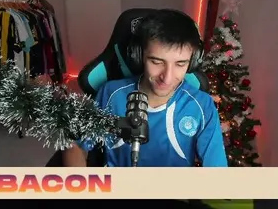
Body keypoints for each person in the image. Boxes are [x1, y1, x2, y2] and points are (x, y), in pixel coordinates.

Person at [63, 9, 227, 167]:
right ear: (139, 56)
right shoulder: (110, 94)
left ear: (192, 62)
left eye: (180, 64)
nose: (167, 78)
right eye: (156, 62)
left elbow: (217, 170)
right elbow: (75, 146)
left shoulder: (203, 105)